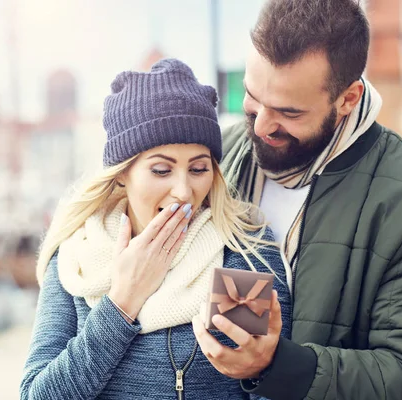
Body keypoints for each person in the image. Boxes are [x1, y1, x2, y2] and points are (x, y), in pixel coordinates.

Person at [191, 0, 402, 399]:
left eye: (289, 111)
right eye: (252, 96)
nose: (262, 125)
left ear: (348, 99)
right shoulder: (215, 159)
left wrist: (278, 367)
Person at [19, 58, 292, 400]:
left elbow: (265, 392)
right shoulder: (78, 255)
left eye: (198, 169)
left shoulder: (238, 253)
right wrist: (121, 303)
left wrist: (262, 372)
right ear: (122, 173)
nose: (183, 191)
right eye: (162, 170)